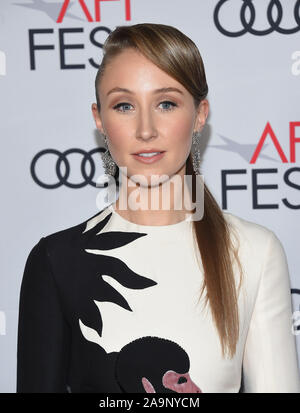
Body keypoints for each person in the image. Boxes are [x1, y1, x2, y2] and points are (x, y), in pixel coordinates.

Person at [16, 23, 300, 393]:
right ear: (100, 120)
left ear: (200, 114)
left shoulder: (253, 252)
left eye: (166, 103)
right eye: (124, 106)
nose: (146, 129)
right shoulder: (56, 261)